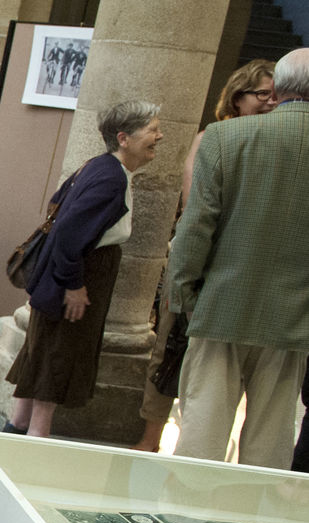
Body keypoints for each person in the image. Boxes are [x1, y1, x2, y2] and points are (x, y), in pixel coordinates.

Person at [166, 48, 309, 470]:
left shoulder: (226, 138)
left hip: (222, 304)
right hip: (295, 316)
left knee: (203, 433)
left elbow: (197, 226)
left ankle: (184, 521)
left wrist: (184, 295)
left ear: (278, 88)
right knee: (272, 439)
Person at [132, 59, 276, 451]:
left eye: (276, 95)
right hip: (200, 260)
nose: (271, 102)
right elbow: (195, 205)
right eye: (262, 93)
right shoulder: (214, 137)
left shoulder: (274, 139)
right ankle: (150, 439)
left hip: (245, 269)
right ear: (238, 95)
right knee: (169, 348)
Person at [4, 100, 163, 437]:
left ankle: (18, 427)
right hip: (79, 277)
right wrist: (73, 286)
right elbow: (67, 234)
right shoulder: (110, 178)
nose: (159, 137)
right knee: (59, 356)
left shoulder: (98, 167)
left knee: (44, 354)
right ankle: (35, 437)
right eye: (152, 131)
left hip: (67, 277)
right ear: (124, 137)